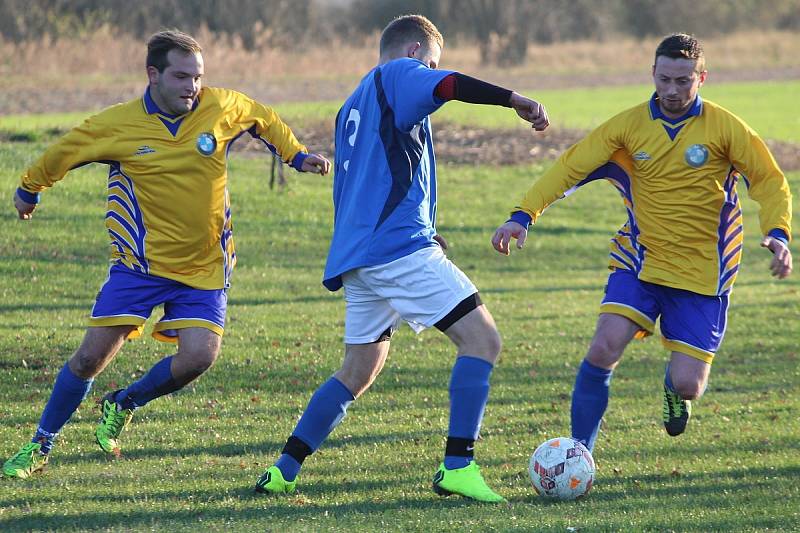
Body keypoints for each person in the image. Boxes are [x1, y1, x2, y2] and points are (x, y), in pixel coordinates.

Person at [2, 29, 331, 479]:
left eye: (197, 77)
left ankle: (125, 401)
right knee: (88, 359)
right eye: (180, 76)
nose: (191, 87)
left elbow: (262, 117)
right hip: (141, 268)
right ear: (153, 74)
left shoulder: (219, 107)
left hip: (205, 265)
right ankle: (41, 445)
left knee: (200, 357)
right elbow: (65, 150)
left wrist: (296, 155)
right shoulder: (118, 124)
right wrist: (29, 190)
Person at [254, 14, 549, 503]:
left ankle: (284, 469)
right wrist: (515, 99)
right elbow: (451, 84)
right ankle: (458, 465)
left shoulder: (354, 102)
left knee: (358, 369)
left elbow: (368, 185)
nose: (431, 75)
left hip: (360, 259)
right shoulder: (399, 74)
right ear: (414, 52)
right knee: (482, 340)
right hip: (396, 250)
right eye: (429, 63)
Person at [492, 33, 792, 454]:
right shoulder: (628, 127)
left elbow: (769, 180)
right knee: (604, 347)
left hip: (704, 272)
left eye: (683, 81)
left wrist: (777, 233)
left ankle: (674, 390)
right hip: (641, 258)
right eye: (664, 79)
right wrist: (522, 215)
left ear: (702, 78)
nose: (672, 90)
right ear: (653, 73)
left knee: (689, 385)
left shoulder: (725, 128)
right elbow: (570, 167)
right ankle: (580, 455)